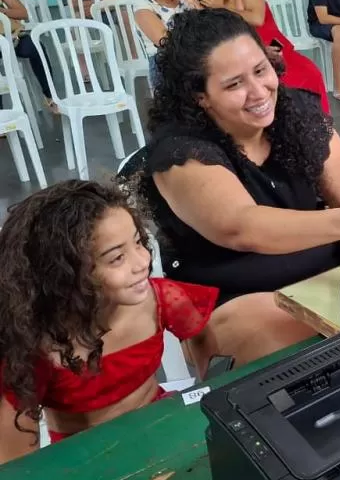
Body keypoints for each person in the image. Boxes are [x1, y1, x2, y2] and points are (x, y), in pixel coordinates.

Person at [140, 9, 340, 375]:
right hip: (233, 298)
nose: (259, 92)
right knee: (316, 348)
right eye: (234, 85)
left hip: (322, 278)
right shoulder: (181, 154)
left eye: (261, 70)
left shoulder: (298, 116)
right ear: (200, 97)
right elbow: (243, 226)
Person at [0, 180, 220, 464]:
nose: (142, 262)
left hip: (162, 426)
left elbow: (204, 340)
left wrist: (212, 394)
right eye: (117, 258)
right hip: (86, 459)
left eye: (138, 242)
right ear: (64, 276)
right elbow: (14, 462)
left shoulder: (160, 299)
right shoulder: (35, 345)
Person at [184, 0, 331, 114]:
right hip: (249, 55)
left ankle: (320, 119)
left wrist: (222, 7)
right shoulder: (211, 8)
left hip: (275, 44)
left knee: (310, 73)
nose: (203, 2)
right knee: (271, 87)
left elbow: (257, 18)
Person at [134, 0, 198, 88]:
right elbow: (163, 41)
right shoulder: (143, 4)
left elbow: (209, 23)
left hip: (193, 54)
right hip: (164, 61)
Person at [0, 0, 52, 108]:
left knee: (35, 47)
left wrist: (3, 12)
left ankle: (50, 96)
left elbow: (23, 13)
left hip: (12, 35)